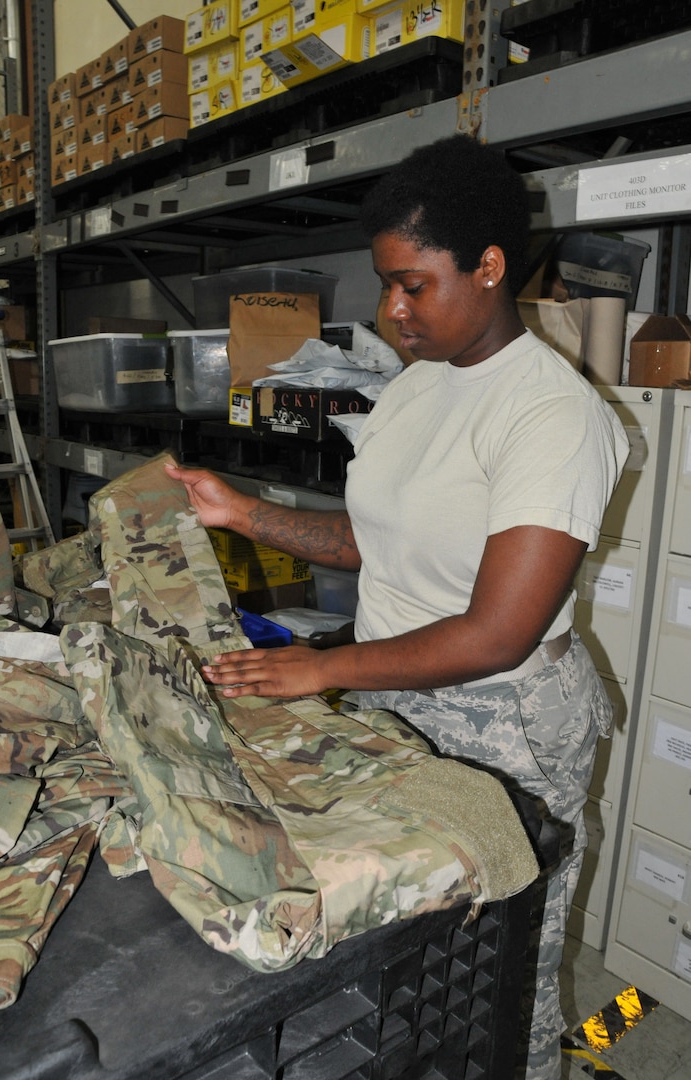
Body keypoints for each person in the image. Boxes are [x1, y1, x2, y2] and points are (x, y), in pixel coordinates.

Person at [165, 134, 629, 1080]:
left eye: (411, 284)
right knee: (407, 963)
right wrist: (241, 512)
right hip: (394, 701)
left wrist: (321, 668)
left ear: (489, 268)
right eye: (385, 285)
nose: (390, 310)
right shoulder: (418, 386)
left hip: (503, 732)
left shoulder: (551, 417)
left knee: (501, 977)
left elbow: (499, 632)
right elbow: (375, 538)